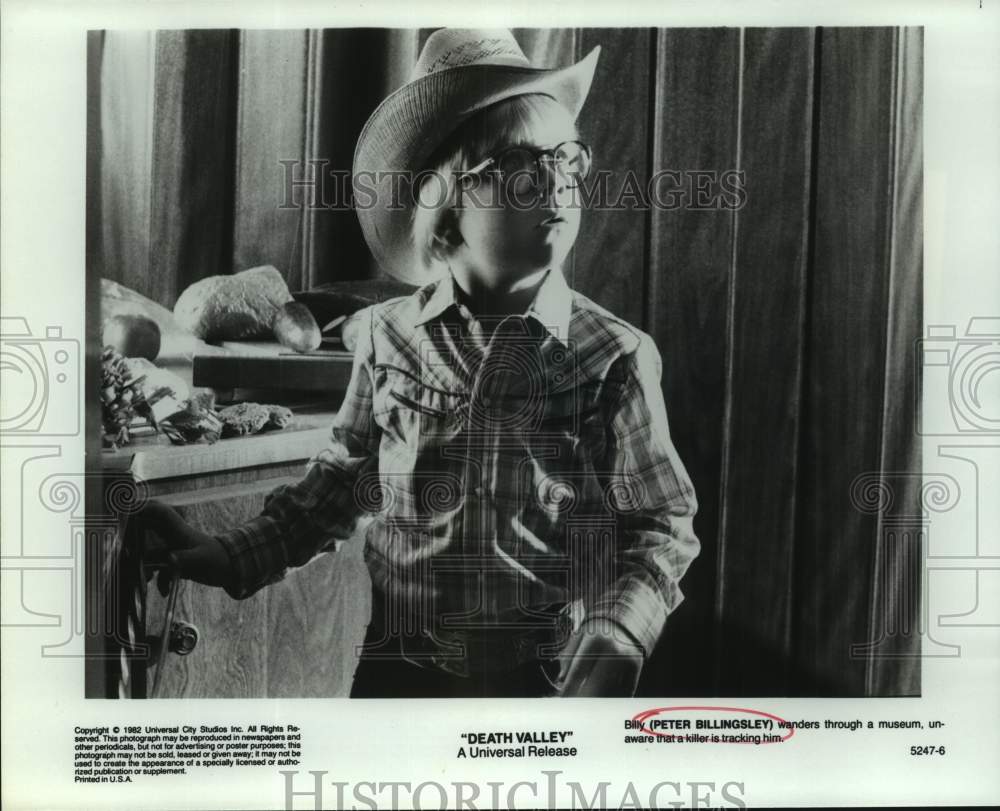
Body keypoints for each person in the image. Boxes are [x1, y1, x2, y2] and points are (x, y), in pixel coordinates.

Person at [142, 28, 700, 698]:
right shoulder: (386, 337)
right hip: (397, 676)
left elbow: (658, 528)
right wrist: (225, 553)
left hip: (542, 685)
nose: (554, 184)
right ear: (445, 207)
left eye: (566, 160)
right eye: (521, 167)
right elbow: (331, 494)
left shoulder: (613, 357)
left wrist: (619, 633)